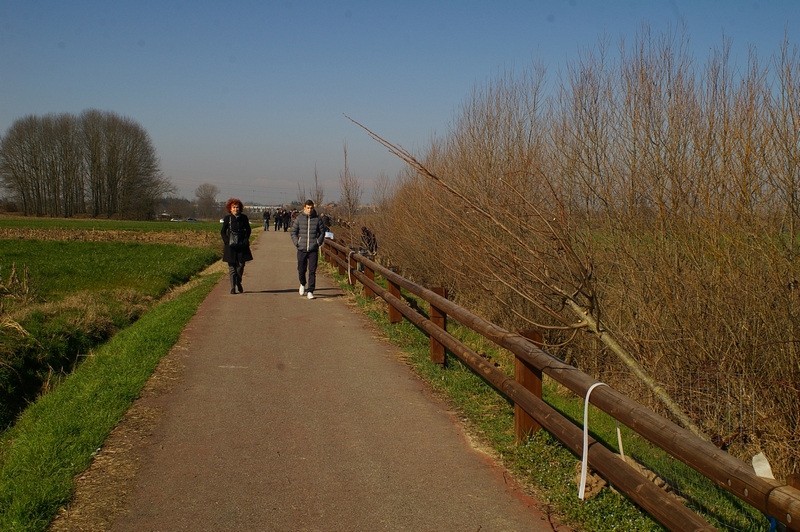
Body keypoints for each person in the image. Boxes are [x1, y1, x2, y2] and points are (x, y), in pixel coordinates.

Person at [290, 199, 326, 300]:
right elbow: (293, 232)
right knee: (301, 269)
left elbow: (322, 232)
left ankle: (310, 290)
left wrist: (318, 242)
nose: (309, 210)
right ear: (304, 208)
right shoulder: (299, 219)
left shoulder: (317, 219)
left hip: (313, 248)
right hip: (301, 248)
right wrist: (297, 243)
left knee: (312, 270)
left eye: (311, 208)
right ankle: (302, 283)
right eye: (308, 208)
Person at [220, 198, 253, 294]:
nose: (235, 209)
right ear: (230, 208)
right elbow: (223, 231)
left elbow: (248, 230)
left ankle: (238, 282)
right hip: (230, 247)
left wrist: (246, 239)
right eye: (233, 207)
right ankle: (232, 287)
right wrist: (226, 241)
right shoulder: (227, 218)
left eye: (237, 207)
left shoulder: (244, 218)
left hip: (242, 246)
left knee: (240, 267)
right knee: (232, 268)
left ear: (240, 208)